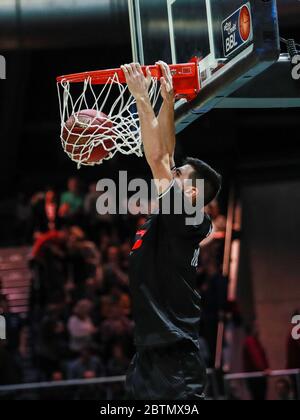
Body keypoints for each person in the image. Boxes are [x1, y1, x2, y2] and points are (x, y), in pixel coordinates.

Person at [121, 62, 222, 400]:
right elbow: (164, 154)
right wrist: (166, 98)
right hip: (149, 355)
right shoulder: (177, 216)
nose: (169, 174)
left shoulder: (188, 217)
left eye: (179, 174)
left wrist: (141, 97)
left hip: (173, 360)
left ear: (192, 193)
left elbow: (157, 159)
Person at [243, 321, 269, 400]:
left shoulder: (254, 340)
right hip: (256, 378)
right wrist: (263, 369)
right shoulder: (250, 341)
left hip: (257, 377)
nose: (258, 329)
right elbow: (255, 356)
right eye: (256, 326)